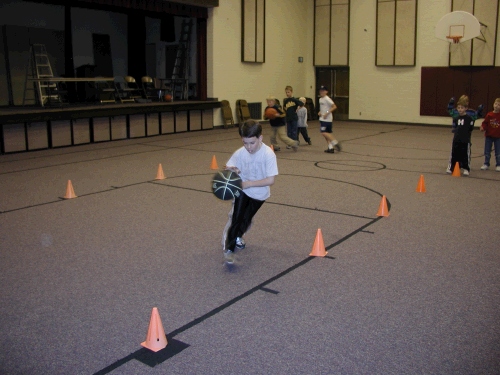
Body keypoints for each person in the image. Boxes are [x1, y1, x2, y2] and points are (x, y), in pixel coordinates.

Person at [221, 120, 279, 264]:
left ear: (260, 138)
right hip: (242, 191)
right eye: (245, 143)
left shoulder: (268, 154)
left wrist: (249, 184)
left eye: (252, 143)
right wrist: (231, 169)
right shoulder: (240, 153)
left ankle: (238, 236)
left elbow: (270, 180)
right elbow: (228, 166)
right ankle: (229, 249)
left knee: (247, 219)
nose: (248, 147)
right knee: (237, 218)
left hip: (259, 194)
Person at [446, 96, 476, 176]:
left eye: (462, 108)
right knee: (454, 153)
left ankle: (466, 168)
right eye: (458, 108)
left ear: (466, 108)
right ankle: (451, 167)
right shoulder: (456, 118)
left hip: (465, 140)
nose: (460, 109)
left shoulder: (469, 118)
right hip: (456, 139)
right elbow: (455, 127)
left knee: (465, 154)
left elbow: (470, 128)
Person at [318, 86, 341, 153]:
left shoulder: (327, 99)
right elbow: (323, 108)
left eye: (323, 91)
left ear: (326, 92)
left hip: (327, 119)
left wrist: (327, 113)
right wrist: (320, 112)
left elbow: (334, 106)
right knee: (327, 133)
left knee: (324, 132)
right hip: (322, 119)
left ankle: (335, 143)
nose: (321, 92)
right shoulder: (320, 99)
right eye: (320, 91)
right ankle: (330, 148)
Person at [479, 98, 500, 171]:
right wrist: (483, 127)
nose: (496, 106)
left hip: (498, 137)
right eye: (495, 104)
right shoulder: (489, 114)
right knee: (487, 151)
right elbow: (485, 123)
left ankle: (498, 164)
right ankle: (486, 163)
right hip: (489, 136)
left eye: (499, 105)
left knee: (498, 152)